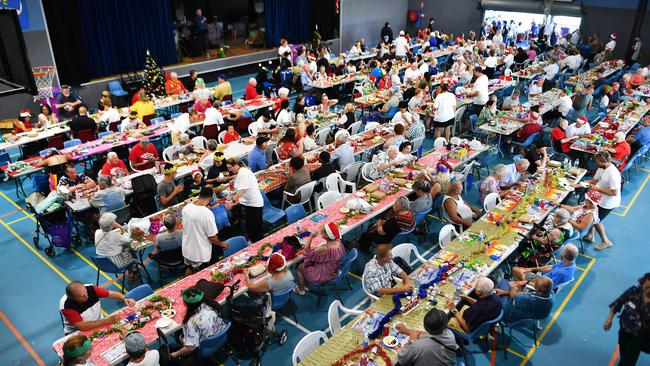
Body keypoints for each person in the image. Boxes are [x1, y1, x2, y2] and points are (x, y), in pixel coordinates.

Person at [603, 272, 650, 366]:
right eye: (647, 287)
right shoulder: (634, 291)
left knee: (629, 361)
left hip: (640, 336)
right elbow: (618, 302)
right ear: (643, 282)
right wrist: (609, 319)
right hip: (624, 329)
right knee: (624, 353)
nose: (648, 289)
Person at [578, 152, 621, 250]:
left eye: (597, 161)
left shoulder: (613, 174)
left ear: (603, 161)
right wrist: (580, 184)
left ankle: (605, 241)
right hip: (599, 199)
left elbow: (614, 193)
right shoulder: (602, 168)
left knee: (596, 220)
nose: (595, 163)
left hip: (608, 203)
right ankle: (590, 235)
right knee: (595, 218)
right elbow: (594, 181)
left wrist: (597, 189)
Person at [170, 287, 227, 359]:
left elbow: (190, 348)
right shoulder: (211, 305)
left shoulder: (192, 322)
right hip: (220, 336)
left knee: (177, 333)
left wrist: (174, 354)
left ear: (186, 304)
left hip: (205, 347)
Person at [181, 187, 228, 274]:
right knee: (207, 275)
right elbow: (212, 238)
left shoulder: (186, 207)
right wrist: (222, 244)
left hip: (187, 249)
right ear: (210, 198)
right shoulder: (206, 213)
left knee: (190, 268)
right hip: (200, 253)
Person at [60, 281, 135, 334]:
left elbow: (112, 294)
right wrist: (108, 321)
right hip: (77, 332)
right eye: (82, 296)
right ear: (73, 298)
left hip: (100, 322)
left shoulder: (91, 289)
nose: (87, 296)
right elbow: (82, 327)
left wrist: (124, 298)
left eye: (85, 292)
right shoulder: (67, 306)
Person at [295, 222, 345, 295]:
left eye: (322, 232)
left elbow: (306, 253)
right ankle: (306, 286)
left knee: (300, 267)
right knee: (306, 265)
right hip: (334, 269)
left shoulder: (324, 248)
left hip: (323, 275)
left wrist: (311, 236)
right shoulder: (339, 243)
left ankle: (301, 290)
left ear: (326, 236)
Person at [227, 158, 264, 242]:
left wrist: (232, 202)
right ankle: (253, 242)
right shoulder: (241, 172)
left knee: (255, 229)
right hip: (248, 204)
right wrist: (238, 199)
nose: (229, 170)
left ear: (236, 165)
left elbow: (242, 190)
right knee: (250, 227)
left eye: (230, 167)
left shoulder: (243, 173)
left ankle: (259, 244)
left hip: (254, 205)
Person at [95, 212, 140, 281]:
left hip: (101, 262)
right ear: (112, 225)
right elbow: (128, 239)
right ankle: (133, 271)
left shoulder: (97, 232)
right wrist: (120, 227)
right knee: (131, 251)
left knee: (123, 248)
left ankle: (132, 271)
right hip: (114, 264)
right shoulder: (115, 236)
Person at [512, 243, 578, 289]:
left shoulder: (561, 273)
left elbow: (546, 289)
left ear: (564, 254)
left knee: (516, 270)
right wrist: (530, 269)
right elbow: (551, 267)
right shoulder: (570, 264)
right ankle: (520, 290)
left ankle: (519, 292)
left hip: (541, 285)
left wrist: (527, 282)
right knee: (522, 270)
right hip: (543, 279)